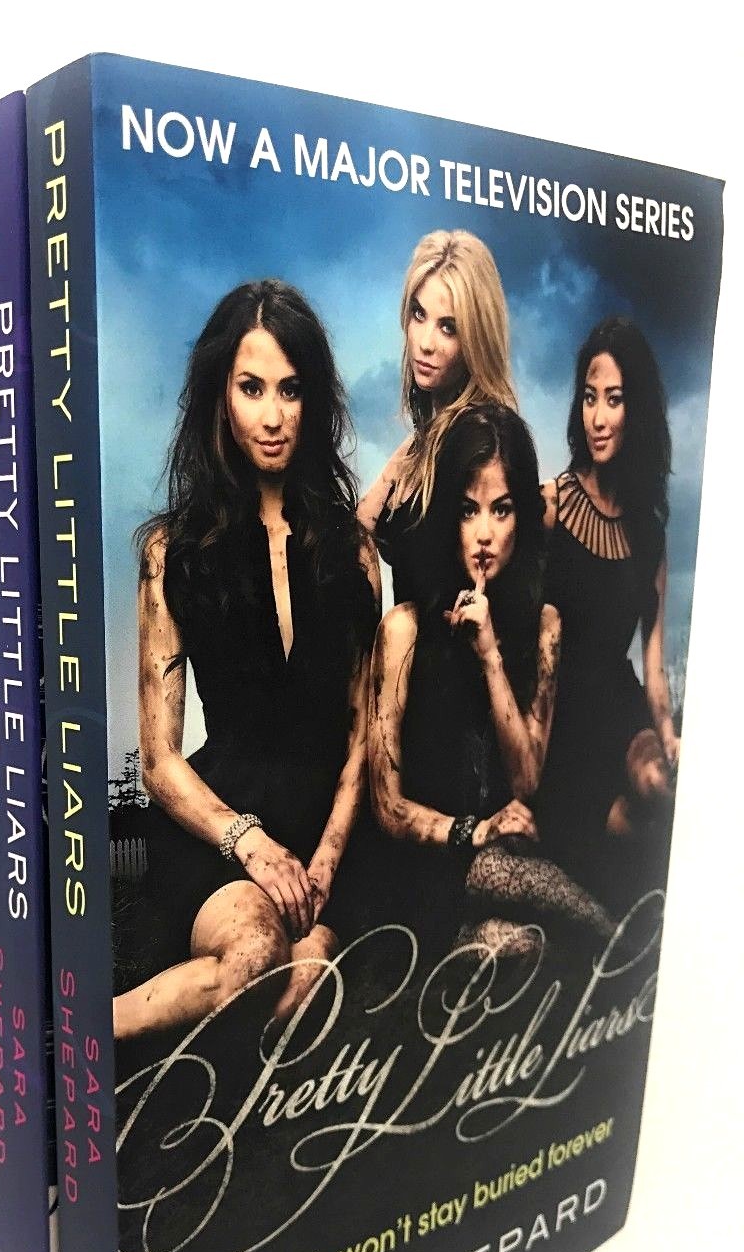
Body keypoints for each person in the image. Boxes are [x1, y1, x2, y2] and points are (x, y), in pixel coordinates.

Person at [114, 279, 380, 1039]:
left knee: (313, 975)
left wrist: (325, 859)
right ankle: (80, 1037)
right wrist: (252, 845)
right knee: (257, 957)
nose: (272, 416)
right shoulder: (171, 552)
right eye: (251, 388)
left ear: (313, 400)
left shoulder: (354, 552)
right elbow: (159, 761)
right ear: (219, 397)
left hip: (330, 830)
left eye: (290, 390)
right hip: (222, 831)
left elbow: (361, 737)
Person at [369, 403, 612, 956]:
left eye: (501, 510)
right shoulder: (404, 630)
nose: (483, 534)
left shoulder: (544, 626)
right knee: (507, 900)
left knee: (524, 942)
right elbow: (386, 806)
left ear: (522, 516)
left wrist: (490, 654)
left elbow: (525, 781)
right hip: (430, 865)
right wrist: (472, 831)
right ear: (446, 518)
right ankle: (620, 945)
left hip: (507, 860)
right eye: (467, 510)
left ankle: (616, 949)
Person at [536, 316, 679, 890]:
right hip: (562, 720)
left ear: (635, 409)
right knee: (624, 839)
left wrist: (668, 734)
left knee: (659, 787)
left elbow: (653, 666)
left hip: (621, 707)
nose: (597, 417)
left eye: (613, 399)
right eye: (589, 397)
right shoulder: (549, 506)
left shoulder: (650, 534)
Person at [357, 230, 517, 603]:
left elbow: (486, 594)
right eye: (419, 314)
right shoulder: (426, 439)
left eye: (448, 327)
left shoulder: (484, 440)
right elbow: (361, 525)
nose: (425, 343)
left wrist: (404, 623)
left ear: (477, 337)